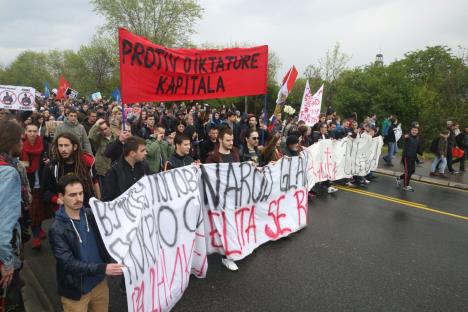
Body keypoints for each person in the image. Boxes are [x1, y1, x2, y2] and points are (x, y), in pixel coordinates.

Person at [49, 175, 124, 311]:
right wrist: (103, 268)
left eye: (80, 193)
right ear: (61, 197)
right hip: (76, 292)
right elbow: (68, 263)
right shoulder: (57, 229)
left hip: (100, 284)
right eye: (72, 195)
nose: (78, 199)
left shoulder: (91, 214)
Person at [205, 128, 240, 272]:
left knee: (233, 226)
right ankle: (227, 257)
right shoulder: (212, 157)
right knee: (226, 227)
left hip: (234, 196)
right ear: (220, 140)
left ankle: (233, 249)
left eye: (232, 140)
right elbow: (206, 178)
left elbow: (240, 171)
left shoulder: (235, 153)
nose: (231, 143)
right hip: (219, 200)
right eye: (228, 140)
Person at [0, 117, 24, 311]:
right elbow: (3, 228)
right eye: (20, 139)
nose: (23, 143)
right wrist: (7, 262)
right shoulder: (8, 173)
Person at [42, 133, 100, 209]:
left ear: (75, 147)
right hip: (64, 210)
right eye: (60, 145)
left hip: (86, 208)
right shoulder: (51, 167)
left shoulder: (86, 163)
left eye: (66, 145)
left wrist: (99, 200)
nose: (63, 149)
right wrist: (58, 200)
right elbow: (46, 191)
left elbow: (94, 181)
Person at [20, 123, 47, 249]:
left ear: (38, 132)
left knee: (40, 210)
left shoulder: (43, 144)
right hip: (27, 184)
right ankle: (36, 236)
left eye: (34, 131)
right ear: (25, 132)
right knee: (32, 211)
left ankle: (39, 229)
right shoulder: (20, 146)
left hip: (41, 183)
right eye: (29, 131)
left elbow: (48, 157)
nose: (32, 133)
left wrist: (47, 161)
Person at [102, 136, 150, 201]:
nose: (145, 153)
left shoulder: (144, 166)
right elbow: (106, 199)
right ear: (132, 153)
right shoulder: (114, 171)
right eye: (142, 151)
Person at [88, 119, 118, 185]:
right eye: (102, 130)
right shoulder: (98, 138)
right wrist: (96, 124)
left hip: (114, 167)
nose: (104, 131)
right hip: (102, 168)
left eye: (105, 129)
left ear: (109, 127)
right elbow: (90, 136)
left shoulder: (116, 137)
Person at [396, 125, 424, 192]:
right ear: (411, 131)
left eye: (415, 130)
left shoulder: (417, 138)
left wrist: (421, 154)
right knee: (407, 172)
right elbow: (405, 137)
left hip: (413, 157)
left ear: (417, 131)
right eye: (413, 130)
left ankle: (399, 178)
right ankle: (406, 186)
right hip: (406, 157)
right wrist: (405, 137)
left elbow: (417, 148)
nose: (414, 131)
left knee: (412, 171)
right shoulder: (408, 137)